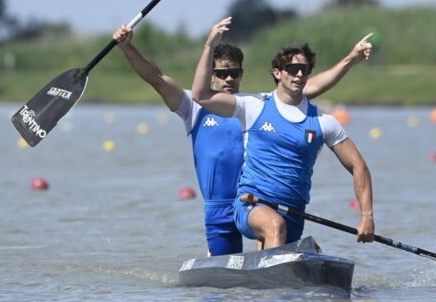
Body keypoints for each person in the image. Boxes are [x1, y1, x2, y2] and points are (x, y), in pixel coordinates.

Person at [112, 17, 373, 255]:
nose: (228, 79)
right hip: (223, 208)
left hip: (265, 200)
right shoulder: (193, 105)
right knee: (240, 265)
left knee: (273, 230)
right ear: (210, 74)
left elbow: (307, 83)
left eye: (233, 73)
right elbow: (155, 78)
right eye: (221, 73)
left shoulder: (254, 104)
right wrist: (127, 48)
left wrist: (350, 59)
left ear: (241, 74)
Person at [192, 17, 375, 249]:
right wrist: (209, 46)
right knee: (275, 226)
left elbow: (359, 166)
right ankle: (271, 279)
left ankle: (262, 272)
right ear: (277, 73)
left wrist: (366, 216)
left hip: (294, 214)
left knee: (280, 232)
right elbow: (200, 95)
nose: (299, 74)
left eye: (304, 69)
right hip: (251, 205)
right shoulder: (254, 105)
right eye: (292, 69)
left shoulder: (324, 122)